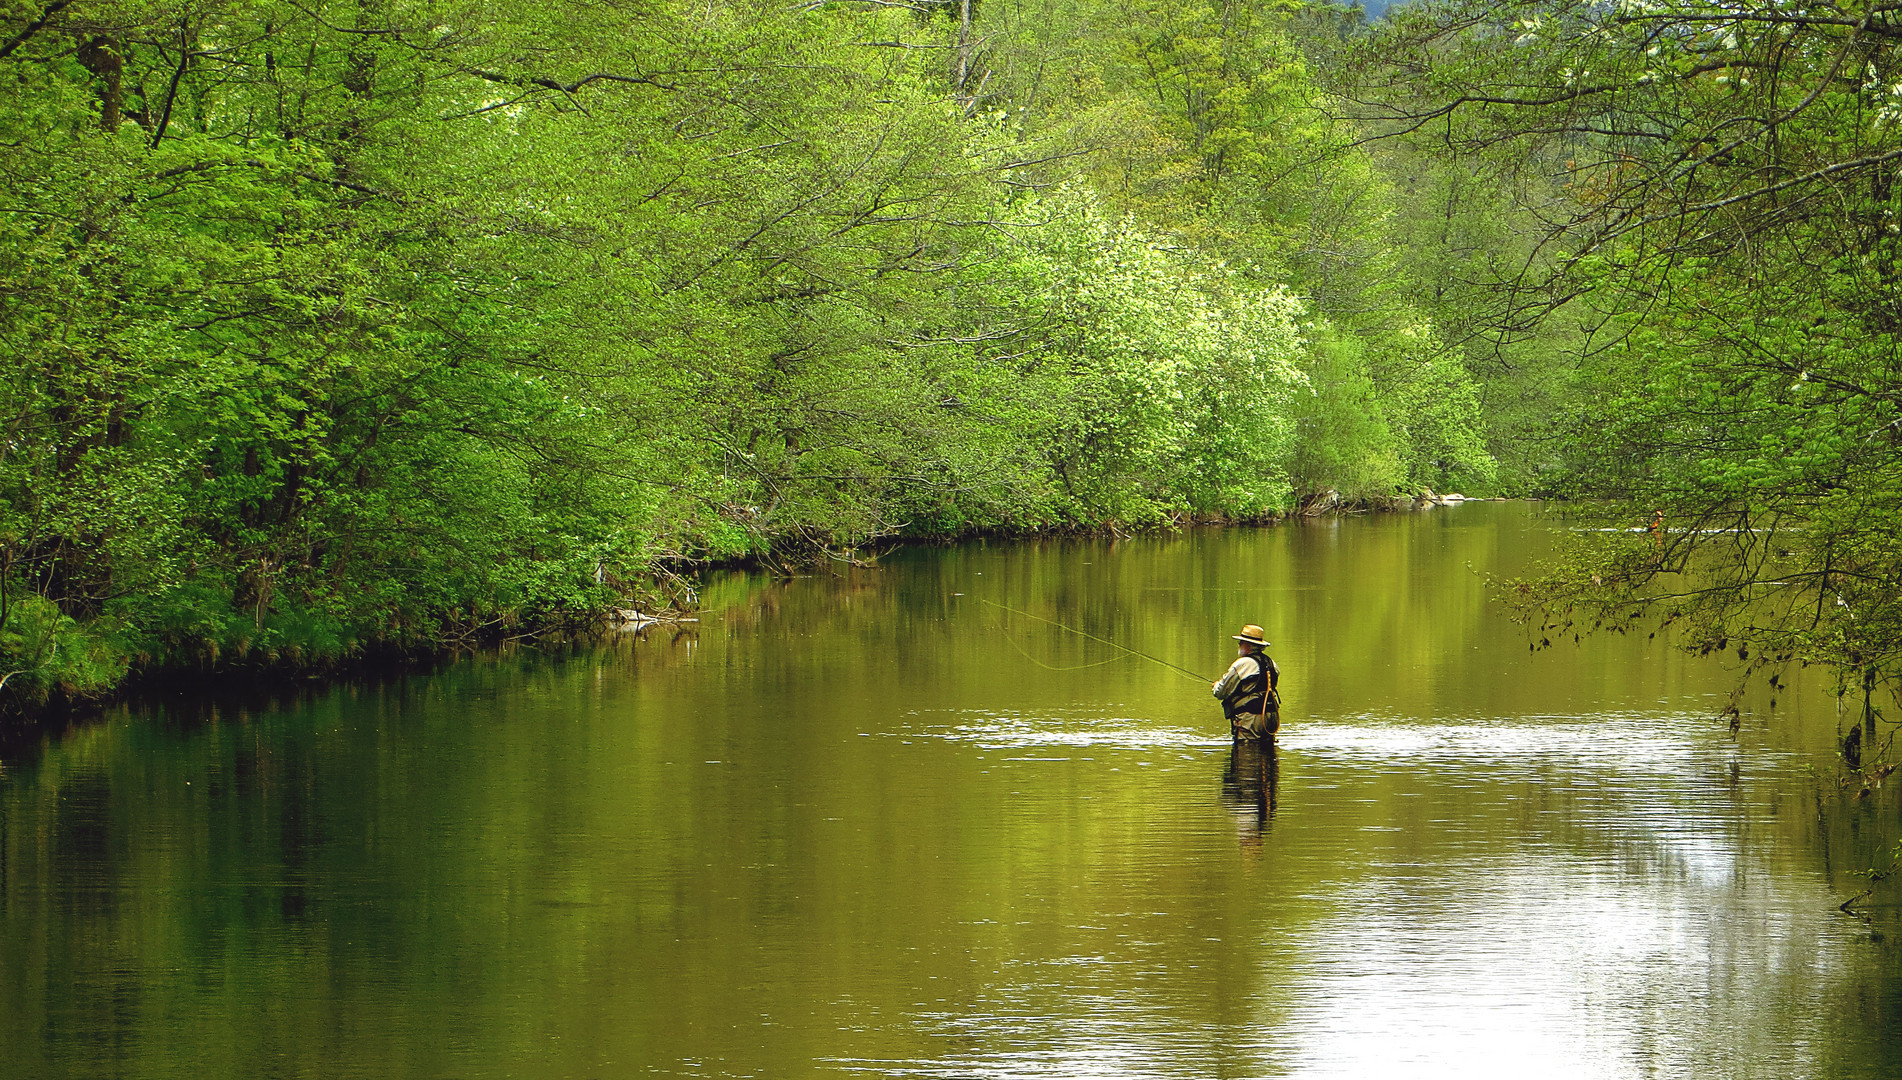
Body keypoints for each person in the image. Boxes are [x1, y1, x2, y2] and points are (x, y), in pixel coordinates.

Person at [1212, 624, 1279, 741]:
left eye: (1240, 643)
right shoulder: (1271, 663)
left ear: (1247, 646)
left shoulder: (1242, 665)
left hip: (1250, 718)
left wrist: (1216, 686)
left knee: (1245, 752)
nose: (1239, 646)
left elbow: (1221, 692)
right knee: (1268, 751)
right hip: (1271, 716)